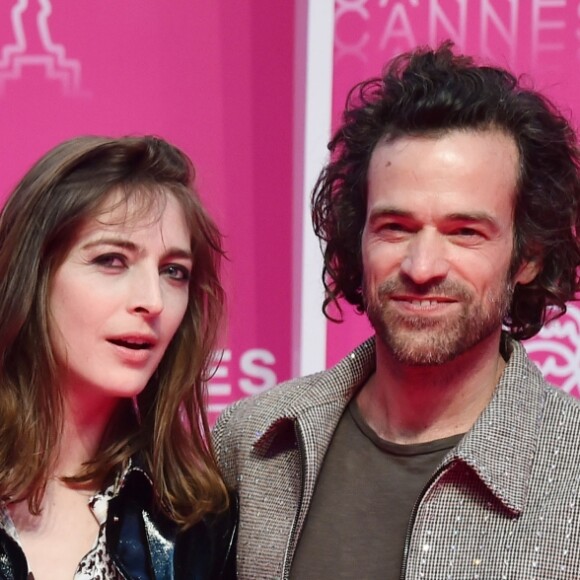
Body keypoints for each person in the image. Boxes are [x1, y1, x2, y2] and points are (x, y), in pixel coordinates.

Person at [213, 41, 580, 579]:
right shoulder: (255, 441)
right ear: (355, 238)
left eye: (465, 232)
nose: (424, 264)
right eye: (396, 227)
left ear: (527, 256)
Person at [0, 135, 237, 579]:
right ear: (32, 275)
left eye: (174, 272)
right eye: (112, 260)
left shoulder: (197, 521)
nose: (153, 301)